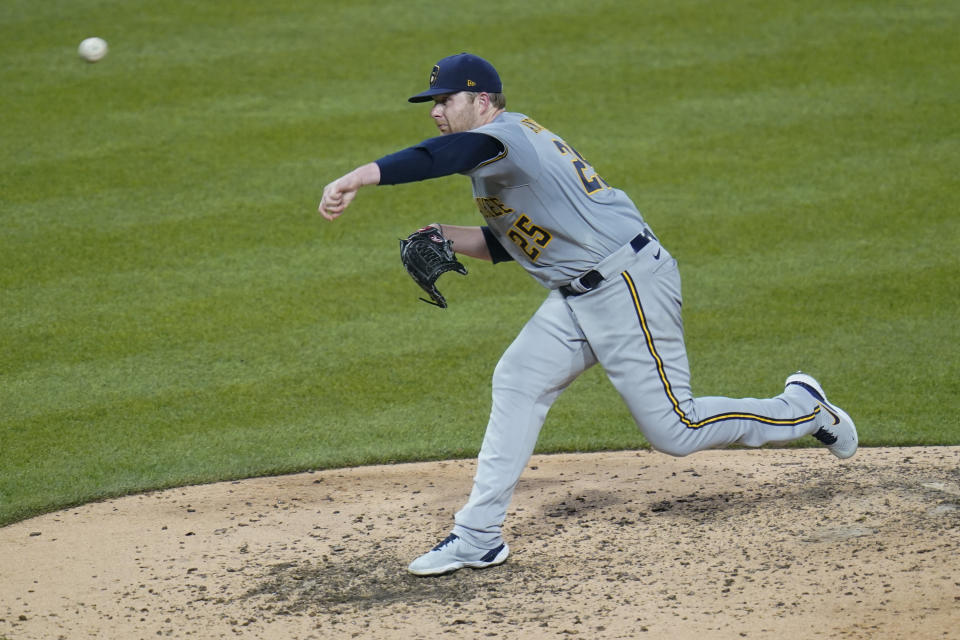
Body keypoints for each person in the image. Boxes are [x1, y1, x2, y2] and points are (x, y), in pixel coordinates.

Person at [318, 53, 858, 577]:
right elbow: (518, 243)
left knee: (676, 430)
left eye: (445, 99)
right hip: (579, 293)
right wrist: (446, 237)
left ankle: (803, 408)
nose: (435, 110)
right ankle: (478, 536)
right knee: (518, 380)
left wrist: (358, 177)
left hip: (626, 284)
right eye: (431, 102)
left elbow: (435, 157)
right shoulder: (498, 158)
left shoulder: (502, 138)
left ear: (482, 101)